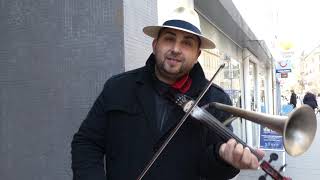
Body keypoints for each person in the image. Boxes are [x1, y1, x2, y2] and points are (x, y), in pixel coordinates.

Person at [71, 6, 264, 180]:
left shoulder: (215, 99)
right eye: (169, 39)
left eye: (187, 43)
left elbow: (214, 172)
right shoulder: (118, 87)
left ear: (197, 54)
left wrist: (224, 159)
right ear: (155, 45)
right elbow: (86, 142)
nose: (176, 49)